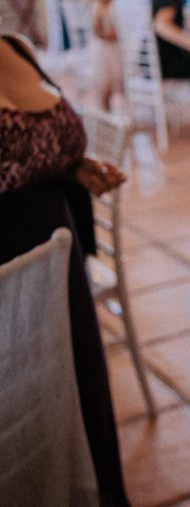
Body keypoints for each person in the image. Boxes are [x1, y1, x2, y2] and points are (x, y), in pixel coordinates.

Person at [0, 33, 128, 506]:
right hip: (8, 289)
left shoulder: (13, 46)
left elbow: (28, 152)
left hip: (61, 269)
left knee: (80, 406)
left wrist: (73, 168)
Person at [90, 0, 124, 109]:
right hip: (104, 49)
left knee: (121, 78)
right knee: (106, 83)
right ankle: (105, 109)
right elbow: (97, 32)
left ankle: (122, 109)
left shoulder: (114, 1)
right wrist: (111, 36)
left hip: (117, 47)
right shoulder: (96, 7)